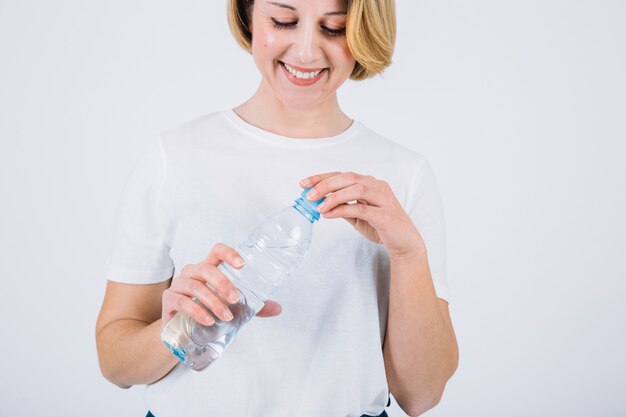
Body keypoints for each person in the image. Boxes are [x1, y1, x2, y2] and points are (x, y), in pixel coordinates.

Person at [95, 0, 459, 416]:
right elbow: (114, 363)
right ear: (248, 14)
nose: (305, 52)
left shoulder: (404, 175)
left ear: (363, 29)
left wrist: (408, 254)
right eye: (283, 21)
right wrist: (177, 328)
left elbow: (422, 395)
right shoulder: (174, 157)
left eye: (335, 28)